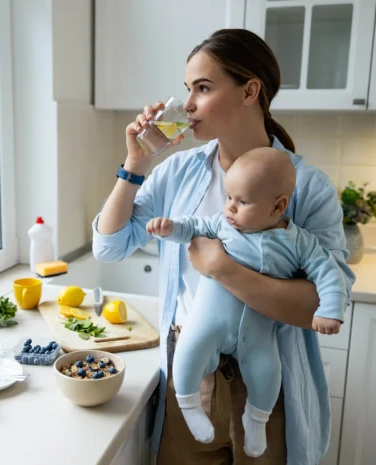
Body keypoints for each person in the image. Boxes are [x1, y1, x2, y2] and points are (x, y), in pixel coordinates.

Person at [92, 28, 356, 465]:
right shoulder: (178, 172)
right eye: (187, 90)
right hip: (190, 374)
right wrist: (135, 165)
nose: (189, 104)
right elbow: (110, 246)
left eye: (204, 88)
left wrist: (223, 269)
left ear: (250, 90)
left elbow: (324, 302)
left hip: (269, 382)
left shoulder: (305, 187)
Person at [145, 147, 346, 457]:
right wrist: (170, 228)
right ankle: (189, 405)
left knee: (268, 372)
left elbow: (329, 274)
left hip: (257, 333)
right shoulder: (222, 224)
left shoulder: (299, 241)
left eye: (243, 201)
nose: (230, 208)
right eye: (228, 197)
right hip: (208, 324)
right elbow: (192, 227)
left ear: (278, 205)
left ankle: (256, 419)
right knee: (188, 352)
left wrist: (329, 311)